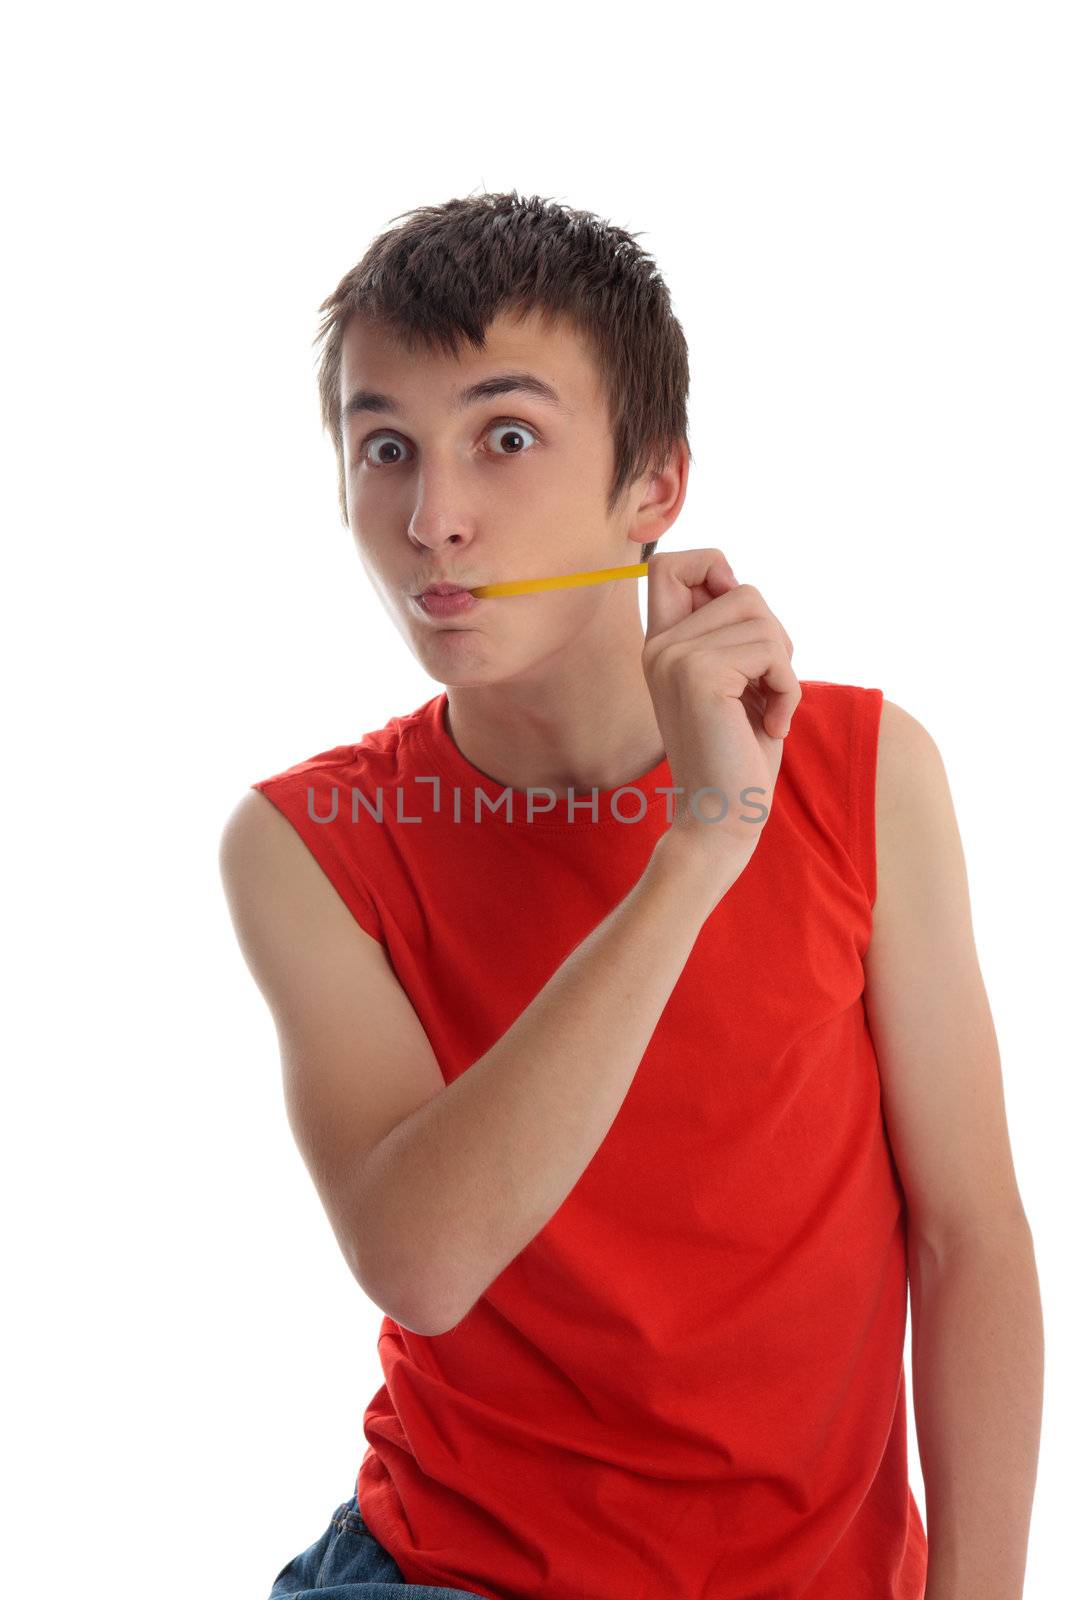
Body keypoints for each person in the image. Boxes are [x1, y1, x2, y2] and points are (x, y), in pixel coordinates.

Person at [218, 190, 1042, 1600]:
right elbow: (421, 1262)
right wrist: (699, 850)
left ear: (653, 488)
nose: (434, 521)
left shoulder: (866, 771)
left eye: (508, 439)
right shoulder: (310, 840)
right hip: (450, 1572)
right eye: (385, 449)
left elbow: (970, 1237)